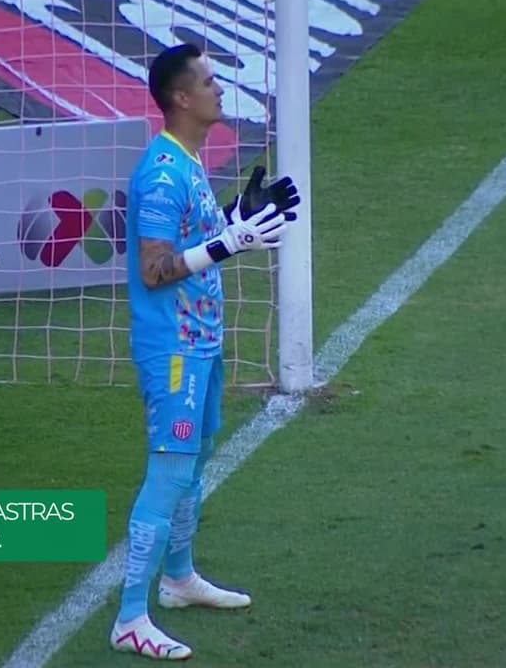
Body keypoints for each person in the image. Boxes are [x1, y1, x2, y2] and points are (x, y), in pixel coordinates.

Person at [111, 42, 301, 661]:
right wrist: (229, 244)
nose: (221, 89)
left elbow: (193, 237)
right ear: (181, 98)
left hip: (202, 340)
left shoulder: (188, 160)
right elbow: (156, 268)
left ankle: (179, 579)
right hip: (173, 351)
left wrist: (234, 219)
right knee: (169, 469)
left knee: (194, 461)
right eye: (210, 82)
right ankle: (130, 617)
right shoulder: (162, 174)